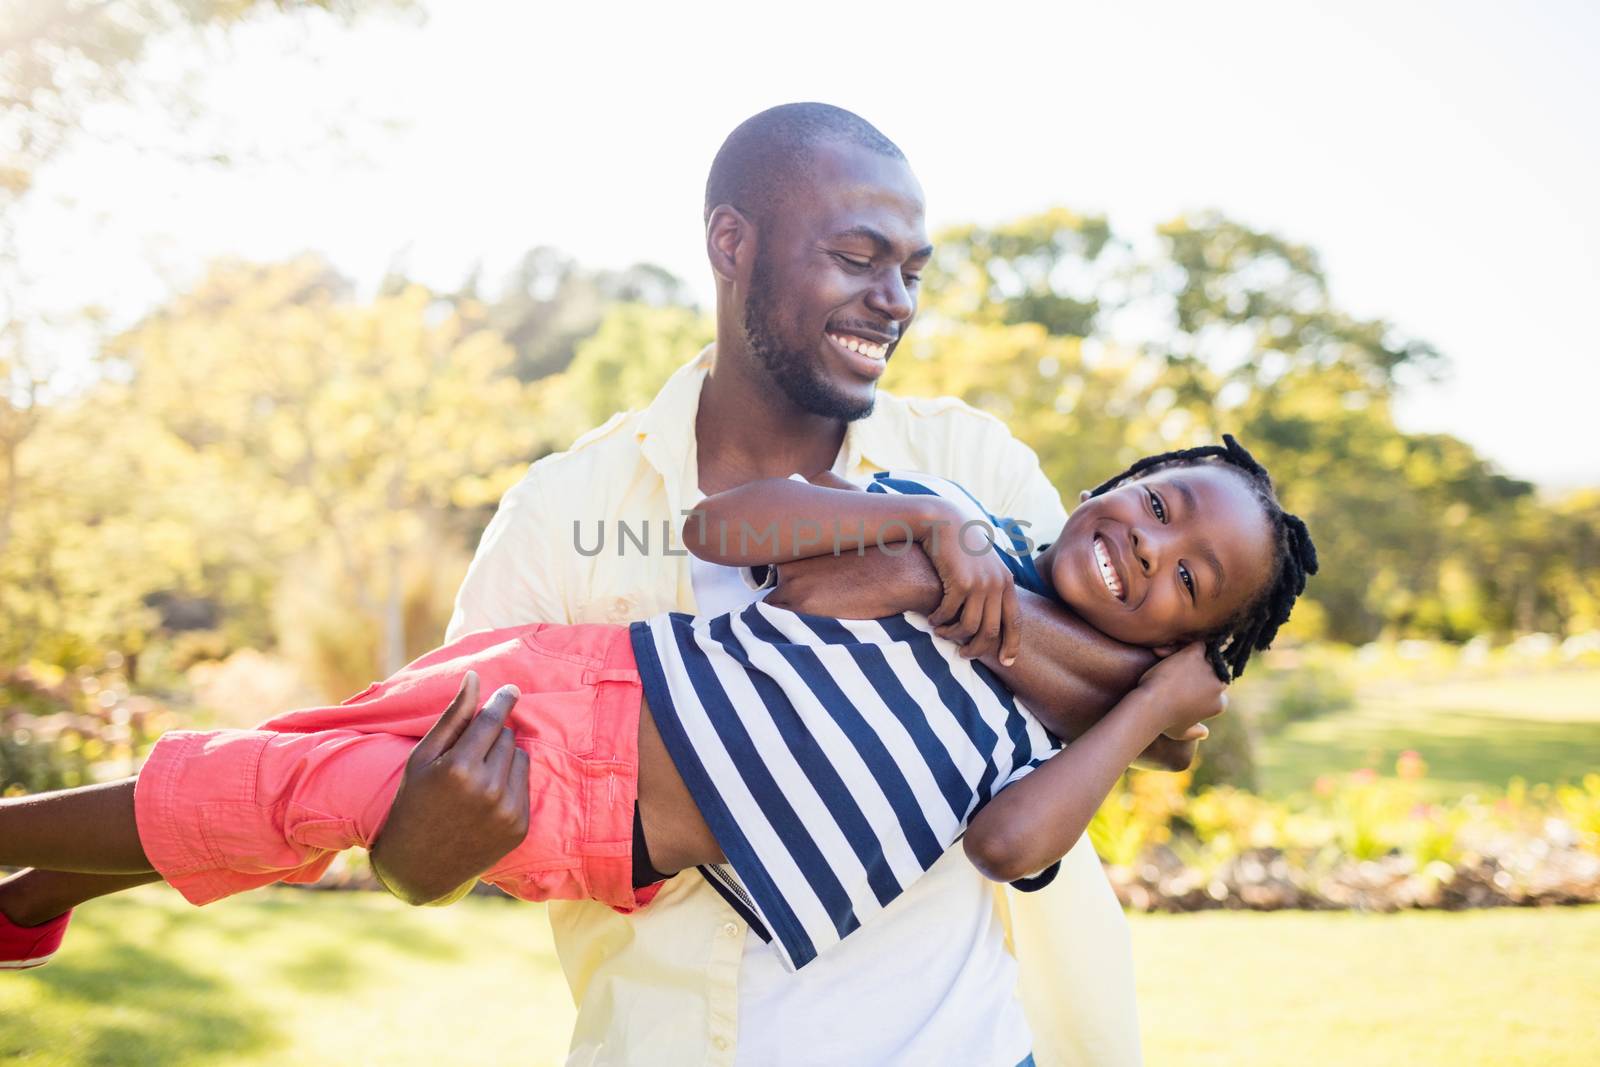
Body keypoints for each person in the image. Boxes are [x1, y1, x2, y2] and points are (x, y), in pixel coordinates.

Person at [365, 102, 1190, 1066]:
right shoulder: (561, 511)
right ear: (731, 243)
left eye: (912, 271)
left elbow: (1164, 718)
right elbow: (418, 860)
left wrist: (914, 580)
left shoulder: (970, 459)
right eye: (857, 257)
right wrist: (417, 842)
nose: (897, 300)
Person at [0, 438, 1317, 989]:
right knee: (289, 771)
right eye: (1158, 503)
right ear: (1119, 483)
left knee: (287, 795)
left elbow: (1012, 841)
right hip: (580, 670)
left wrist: (1151, 710)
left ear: (1195, 640)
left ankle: (18, 853)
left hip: (581, 804)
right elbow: (735, 534)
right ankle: (41, 888)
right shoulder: (957, 527)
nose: (1151, 545)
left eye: (1191, 574)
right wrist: (925, 527)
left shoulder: (1063, 734)